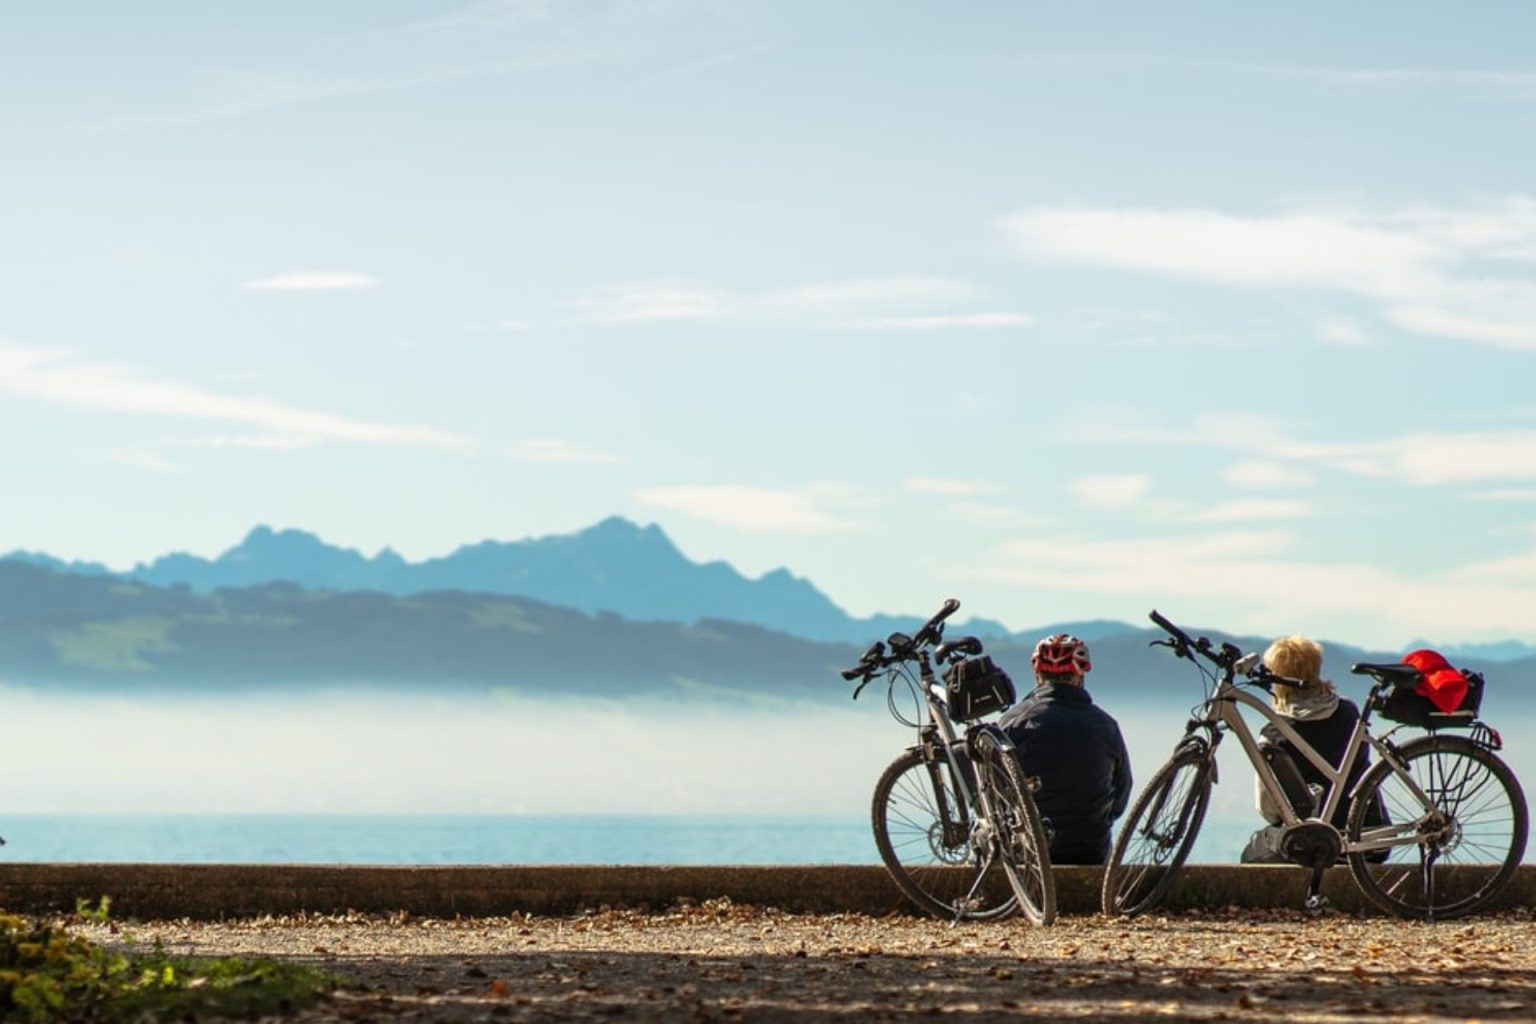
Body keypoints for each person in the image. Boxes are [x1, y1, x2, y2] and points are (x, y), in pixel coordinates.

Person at [1240, 634, 1379, 863]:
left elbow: (1269, 809)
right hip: (1369, 839)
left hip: (1312, 846)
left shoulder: (1273, 735)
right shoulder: (1350, 712)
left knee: (1253, 851)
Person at [998, 633, 1133, 864]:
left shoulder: (1014, 722)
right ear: (1080, 674)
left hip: (1029, 857)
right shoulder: (1106, 725)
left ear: (1037, 674)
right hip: (1092, 853)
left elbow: (995, 792)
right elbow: (1120, 798)